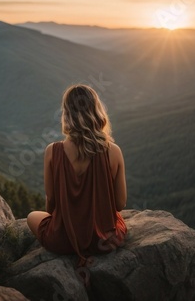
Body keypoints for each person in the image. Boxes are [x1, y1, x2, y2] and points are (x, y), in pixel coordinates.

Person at [27, 84, 127, 267]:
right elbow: (120, 205)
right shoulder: (114, 151)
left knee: (32, 216)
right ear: (96, 111)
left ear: (66, 114)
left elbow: (50, 207)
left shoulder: (52, 151)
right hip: (104, 241)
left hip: (62, 240)